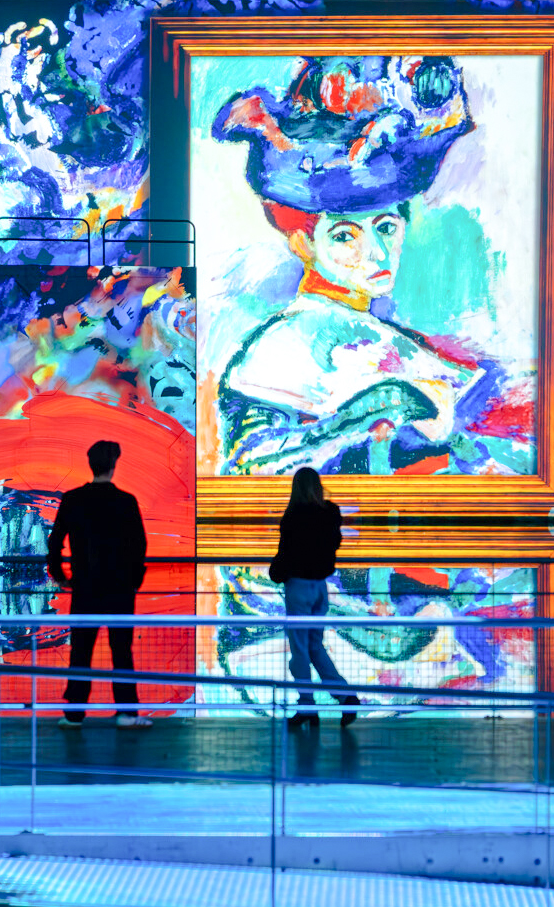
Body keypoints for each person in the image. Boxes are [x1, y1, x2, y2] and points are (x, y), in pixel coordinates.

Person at [212, 56, 532, 477]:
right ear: (303, 243)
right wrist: (382, 411)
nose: (378, 254)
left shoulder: (401, 342)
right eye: (345, 235)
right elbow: (254, 473)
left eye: (386, 227)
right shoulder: (276, 352)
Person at [46, 440, 151, 730]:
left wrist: (60, 574)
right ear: (114, 465)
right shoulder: (126, 502)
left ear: (90, 464)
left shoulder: (73, 499)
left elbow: (55, 541)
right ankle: (127, 713)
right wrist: (133, 581)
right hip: (119, 590)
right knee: (121, 651)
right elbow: (139, 545)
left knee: (81, 650)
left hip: (85, 587)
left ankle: (75, 713)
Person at [272, 467, 359, 727]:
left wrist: (276, 571)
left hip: (298, 587)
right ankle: (345, 697)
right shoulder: (330, 513)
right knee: (314, 646)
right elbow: (334, 544)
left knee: (300, 649)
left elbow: (285, 553)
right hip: (320, 586)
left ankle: (307, 705)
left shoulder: (294, 516)